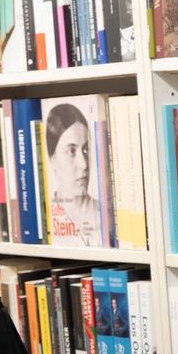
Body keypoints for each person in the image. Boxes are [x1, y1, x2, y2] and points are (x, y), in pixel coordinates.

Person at [45, 102, 100, 246]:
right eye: (71, 151)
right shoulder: (44, 218)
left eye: (86, 149)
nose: (84, 164)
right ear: (53, 159)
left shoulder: (106, 214)